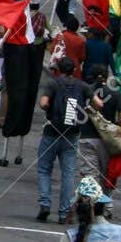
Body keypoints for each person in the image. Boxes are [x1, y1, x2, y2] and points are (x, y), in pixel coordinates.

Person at [37, 56, 92, 223]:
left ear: (59, 69)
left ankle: (45, 203)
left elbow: (43, 103)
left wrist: (50, 108)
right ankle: (64, 212)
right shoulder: (82, 86)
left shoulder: (52, 83)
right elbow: (98, 103)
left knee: (44, 169)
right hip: (71, 134)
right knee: (68, 174)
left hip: (52, 131)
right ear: (74, 70)